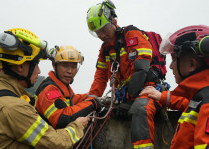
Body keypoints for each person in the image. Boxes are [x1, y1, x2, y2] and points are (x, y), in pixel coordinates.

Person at [0, 28, 90, 149]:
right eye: (36, 64)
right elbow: (54, 143)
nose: (39, 71)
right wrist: (77, 126)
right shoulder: (14, 107)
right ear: (20, 66)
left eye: (74, 66)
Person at [86, 0, 162, 148]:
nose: (101, 35)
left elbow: (142, 70)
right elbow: (100, 78)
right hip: (125, 94)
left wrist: (129, 100)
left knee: (140, 109)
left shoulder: (131, 35)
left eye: (104, 29)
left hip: (148, 89)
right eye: (97, 32)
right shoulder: (105, 50)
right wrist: (90, 102)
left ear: (114, 22)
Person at [140, 25, 209, 149]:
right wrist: (161, 96)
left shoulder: (206, 103)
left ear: (192, 64)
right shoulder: (199, 98)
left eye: (173, 59)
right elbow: (186, 103)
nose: (171, 66)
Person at [35, 45, 102, 129]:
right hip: (46, 140)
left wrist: (89, 96)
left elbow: (71, 100)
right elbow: (61, 119)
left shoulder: (62, 85)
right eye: (65, 66)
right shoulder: (50, 89)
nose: (70, 71)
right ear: (54, 65)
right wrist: (92, 103)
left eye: (74, 67)